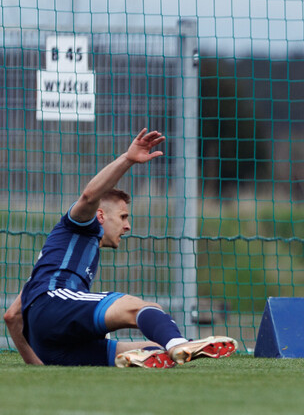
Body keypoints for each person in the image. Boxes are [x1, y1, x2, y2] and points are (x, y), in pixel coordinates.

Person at [2, 129, 238, 368]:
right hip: (55, 308)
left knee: (156, 351)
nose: (128, 226)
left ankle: (159, 351)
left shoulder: (54, 261)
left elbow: (12, 316)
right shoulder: (81, 225)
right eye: (123, 216)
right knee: (145, 308)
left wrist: (36, 364)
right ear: (101, 215)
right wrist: (128, 159)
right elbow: (89, 195)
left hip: (48, 343)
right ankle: (178, 343)